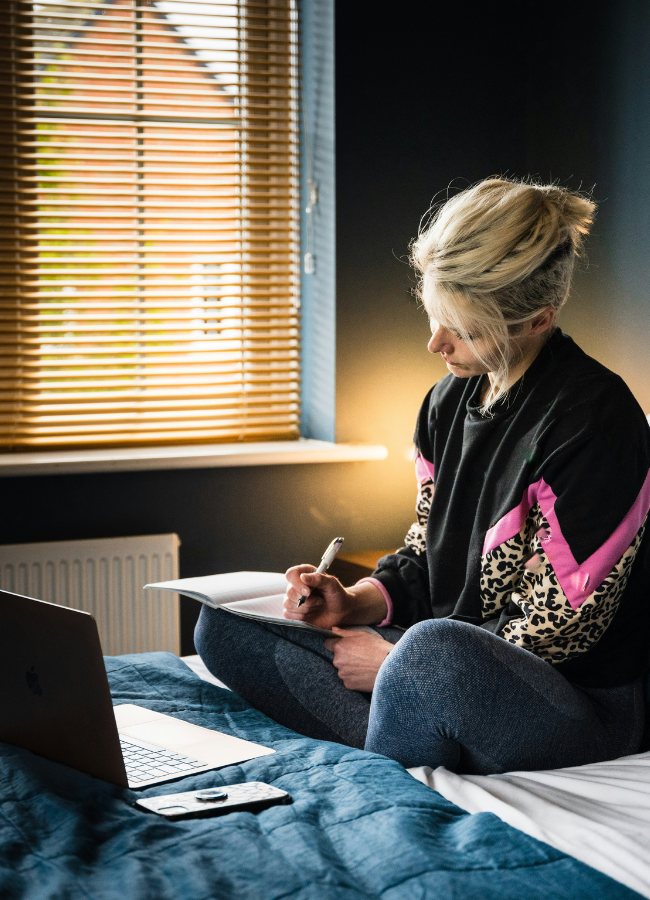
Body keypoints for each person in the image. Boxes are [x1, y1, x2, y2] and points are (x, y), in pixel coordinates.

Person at [195, 178, 650, 775]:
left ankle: (396, 730)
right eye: (436, 316)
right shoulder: (446, 402)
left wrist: (391, 661)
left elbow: (557, 630)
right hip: (440, 658)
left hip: (575, 700)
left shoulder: (595, 422)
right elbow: (425, 548)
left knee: (432, 654)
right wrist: (355, 603)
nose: (434, 342)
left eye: (461, 328)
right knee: (221, 623)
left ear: (538, 319)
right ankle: (404, 727)